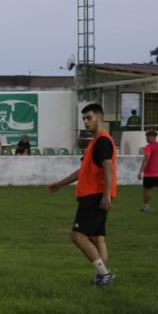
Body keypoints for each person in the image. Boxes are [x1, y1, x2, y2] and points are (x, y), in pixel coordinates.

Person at [48, 103, 116, 286]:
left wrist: (106, 194)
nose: (86, 122)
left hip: (95, 195)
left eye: (89, 118)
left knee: (77, 236)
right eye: (84, 118)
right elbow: (82, 172)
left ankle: (104, 273)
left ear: (100, 118)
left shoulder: (102, 141)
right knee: (97, 237)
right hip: (93, 194)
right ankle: (101, 277)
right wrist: (61, 184)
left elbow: (108, 168)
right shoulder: (94, 143)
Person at [138, 129, 158, 214]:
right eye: (146, 137)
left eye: (148, 136)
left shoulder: (148, 147)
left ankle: (145, 207)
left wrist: (140, 171)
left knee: (147, 190)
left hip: (150, 173)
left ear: (153, 137)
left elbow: (146, 159)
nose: (146, 138)